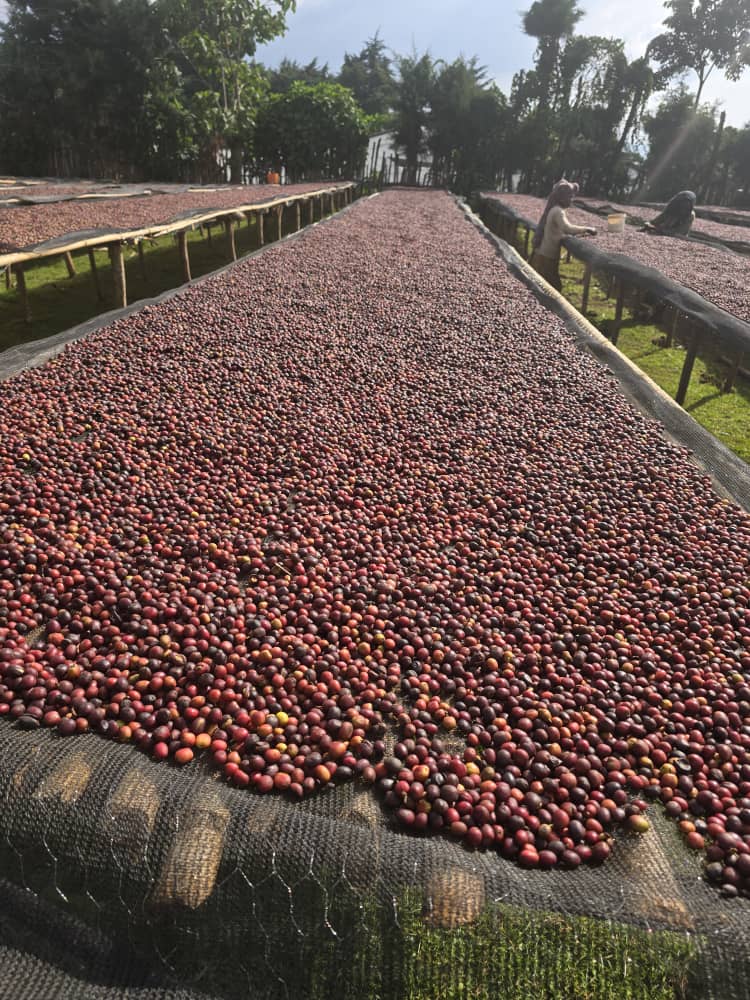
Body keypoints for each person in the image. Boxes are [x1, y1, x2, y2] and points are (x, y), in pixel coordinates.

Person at [529, 179, 597, 291]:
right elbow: (567, 228)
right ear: (561, 198)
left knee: (542, 284)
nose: (571, 200)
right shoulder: (558, 211)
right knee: (551, 287)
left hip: (544, 252)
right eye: (569, 197)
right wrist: (587, 229)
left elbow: (560, 230)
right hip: (548, 255)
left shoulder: (553, 209)